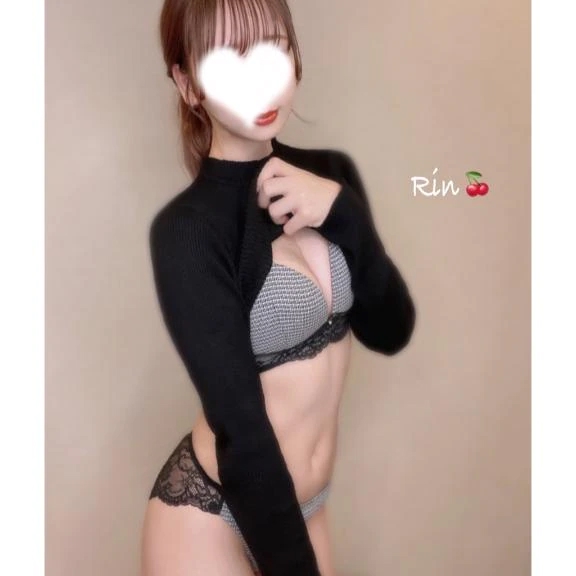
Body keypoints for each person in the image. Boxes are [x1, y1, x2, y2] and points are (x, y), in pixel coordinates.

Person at [140, 1, 416, 575]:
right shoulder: (188, 232)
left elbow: (390, 329)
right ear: (189, 85)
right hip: (211, 516)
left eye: (274, 49)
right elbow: (241, 434)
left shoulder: (330, 174)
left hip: (304, 510)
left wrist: (344, 213)